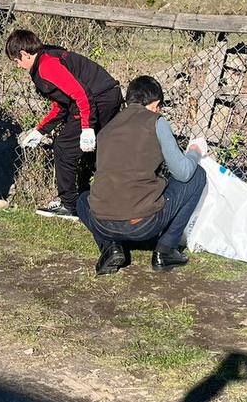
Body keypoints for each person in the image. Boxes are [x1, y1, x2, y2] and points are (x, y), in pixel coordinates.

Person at [77, 75, 207, 276]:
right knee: (196, 175)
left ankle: (110, 247)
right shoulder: (156, 122)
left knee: (83, 200)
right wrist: (195, 152)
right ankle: (166, 250)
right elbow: (183, 173)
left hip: (102, 223)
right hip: (142, 224)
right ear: (156, 104)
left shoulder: (107, 127)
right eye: (159, 107)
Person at [6, 28, 123, 220]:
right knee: (87, 150)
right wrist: (40, 130)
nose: (18, 66)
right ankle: (90, 199)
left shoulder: (47, 66)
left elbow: (81, 95)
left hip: (100, 98)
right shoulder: (46, 59)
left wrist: (86, 127)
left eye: (16, 61)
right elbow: (62, 105)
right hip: (103, 96)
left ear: (24, 54)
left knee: (64, 147)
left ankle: (70, 206)